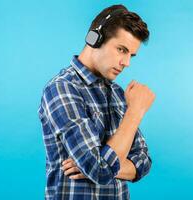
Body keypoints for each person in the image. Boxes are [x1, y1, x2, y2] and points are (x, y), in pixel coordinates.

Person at [38, 4, 155, 200]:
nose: (127, 63)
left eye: (131, 55)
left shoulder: (117, 93)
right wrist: (135, 112)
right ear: (95, 39)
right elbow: (99, 169)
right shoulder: (62, 89)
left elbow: (143, 161)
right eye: (121, 49)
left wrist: (104, 166)